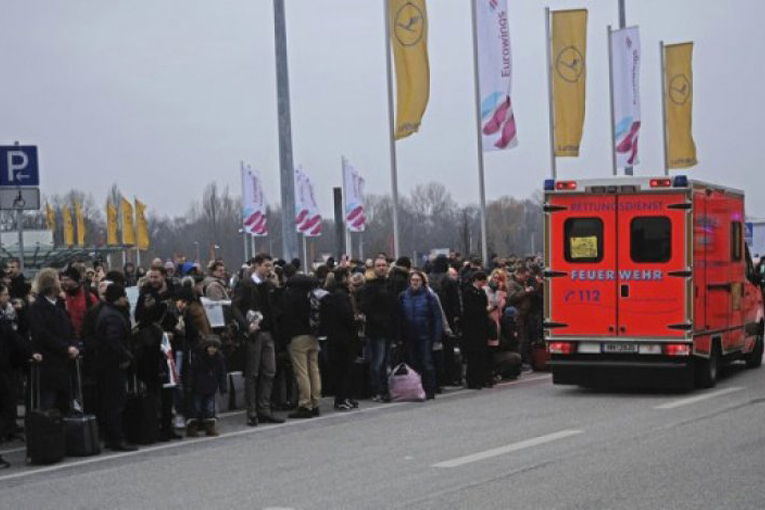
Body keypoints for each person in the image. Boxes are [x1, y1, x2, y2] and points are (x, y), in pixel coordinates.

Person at [232, 254, 284, 426]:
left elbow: (275, 307)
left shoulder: (268, 285)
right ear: (256, 266)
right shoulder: (246, 284)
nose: (269, 269)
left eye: (270, 266)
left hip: (268, 332)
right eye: (266, 266)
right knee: (252, 373)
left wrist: (277, 287)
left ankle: (264, 409)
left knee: (270, 371)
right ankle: (252, 412)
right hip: (254, 333)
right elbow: (235, 307)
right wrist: (247, 326)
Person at [0, 283, 41, 469]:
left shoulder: (4, 316)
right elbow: (12, 337)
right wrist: (30, 352)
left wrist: (29, 352)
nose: (7, 298)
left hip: (6, 366)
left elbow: (14, 337)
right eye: (5, 294)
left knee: (6, 405)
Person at [28, 268, 79, 414]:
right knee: (49, 406)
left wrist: (75, 345)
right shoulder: (37, 308)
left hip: (65, 363)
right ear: (50, 284)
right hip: (49, 364)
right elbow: (42, 334)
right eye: (58, 279)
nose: (61, 282)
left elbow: (70, 329)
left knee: (65, 404)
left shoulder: (59, 305)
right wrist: (66, 348)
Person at [95, 283, 136, 451]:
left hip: (107, 363)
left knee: (111, 401)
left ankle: (112, 436)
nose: (126, 299)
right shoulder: (113, 315)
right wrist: (126, 355)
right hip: (113, 364)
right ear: (117, 298)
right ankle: (116, 438)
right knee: (115, 402)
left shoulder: (107, 311)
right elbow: (113, 340)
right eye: (123, 296)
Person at [280, 273, 322, 419]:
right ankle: (316, 402)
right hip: (313, 335)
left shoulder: (289, 295)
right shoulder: (312, 295)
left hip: (297, 336)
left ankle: (305, 404)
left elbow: (285, 316)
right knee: (314, 370)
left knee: (301, 372)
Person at [398, 270, 442, 400]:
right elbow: (400, 316)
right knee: (414, 364)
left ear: (422, 282)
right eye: (413, 280)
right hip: (410, 335)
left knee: (427, 363)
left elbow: (437, 317)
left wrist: (437, 336)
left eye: (417, 280)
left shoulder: (429, 296)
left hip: (425, 335)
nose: (415, 282)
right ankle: (417, 389)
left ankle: (430, 390)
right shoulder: (403, 296)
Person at [359, 256, 397, 402]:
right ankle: (377, 389)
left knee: (385, 361)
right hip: (376, 329)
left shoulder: (389, 285)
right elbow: (365, 306)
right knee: (377, 361)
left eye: (383, 265)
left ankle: (384, 388)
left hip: (388, 329)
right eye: (379, 265)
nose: (381, 267)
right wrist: (377, 319)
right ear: (374, 268)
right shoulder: (370, 286)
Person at [326, 268, 359, 411]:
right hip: (342, 338)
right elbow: (346, 316)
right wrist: (356, 321)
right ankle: (341, 399)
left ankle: (346, 396)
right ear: (344, 278)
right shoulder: (340, 295)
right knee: (343, 370)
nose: (352, 278)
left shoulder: (341, 293)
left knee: (347, 369)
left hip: (342, 336)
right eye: (350, 276)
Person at [187, 336, 227, 437]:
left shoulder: (219, 359)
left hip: (211, 387)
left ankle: (210, 427)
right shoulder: (199, 358)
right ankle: (192, 427)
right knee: (196, 408)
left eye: (214, 347)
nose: (212, 349)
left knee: (210, 408)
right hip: (198, 386)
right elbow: (192, 372)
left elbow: (222, 374)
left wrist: (223, 387)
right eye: (210, 347)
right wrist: (190, 384)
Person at [461, 271, 490, 389]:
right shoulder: (468, 292)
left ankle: (481, 379)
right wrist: (485, 309)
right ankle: (472, 380)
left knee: (481, 354)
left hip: (481, 327)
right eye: (482, 281)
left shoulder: (481, 292)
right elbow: (470, 309)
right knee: (473, 355)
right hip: (472, 328)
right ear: (477, 280)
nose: (483, 284)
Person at [60, 264, 97, 341]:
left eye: (66, 280)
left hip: (87, 338)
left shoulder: (89, 297)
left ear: (75, 280)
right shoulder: (61, 297)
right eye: (62, 280)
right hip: (69, 339)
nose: (63, 282)